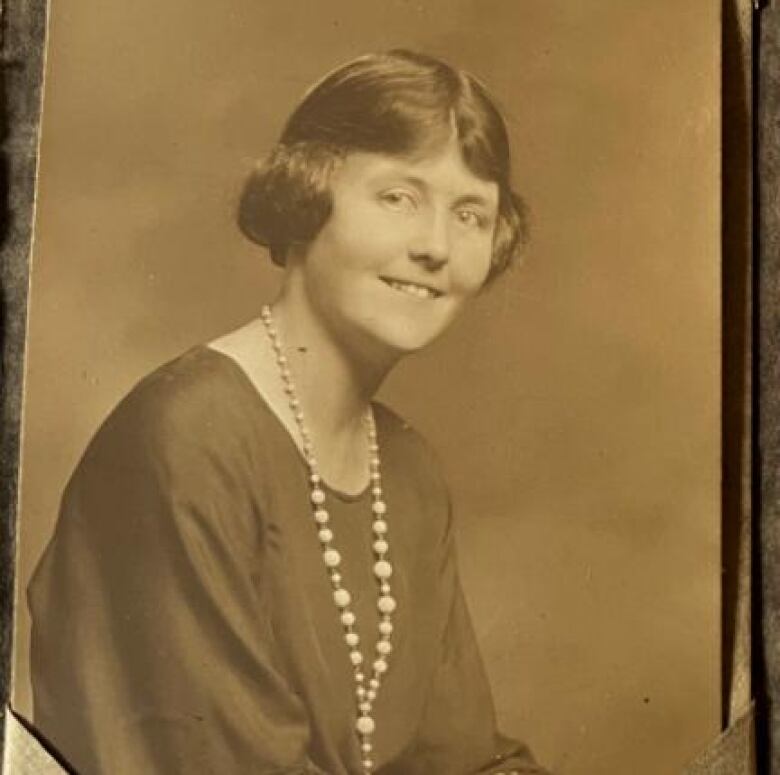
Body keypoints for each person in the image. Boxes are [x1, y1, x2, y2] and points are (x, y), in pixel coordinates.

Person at [28, 50, 549, 775]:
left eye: (470, 213)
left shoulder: (408, 473)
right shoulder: (186, 436)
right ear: (306, 194)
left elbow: (459, 757)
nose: (435, 245)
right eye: (398, 196)